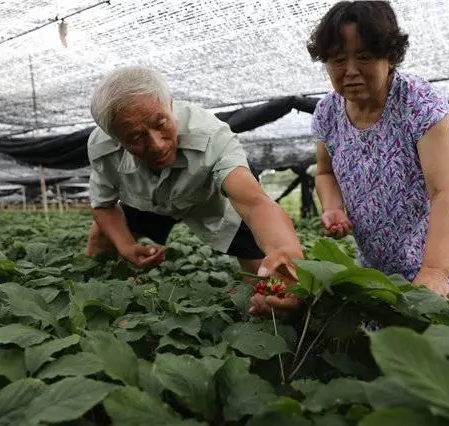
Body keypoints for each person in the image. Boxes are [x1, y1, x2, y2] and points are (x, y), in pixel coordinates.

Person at [85, 66, 303, 306]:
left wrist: (285, 251)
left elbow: (254, 203)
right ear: (114, 137)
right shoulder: (101, 147)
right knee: (101, 242)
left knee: (265, 278)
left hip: (210, 198)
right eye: (136, 138)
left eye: (161, 124)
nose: (157, 145)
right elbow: (103, 206)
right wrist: (127, 247)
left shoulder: (211, 136)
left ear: (170, 104)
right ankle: (96, 303)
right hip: (151, 199)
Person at [307, 1, 449, 296]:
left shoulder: (419, 102)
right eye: (337, 59)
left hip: (436, 248)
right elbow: (325, 172)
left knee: (436, 331)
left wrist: (435, 271)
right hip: (376, 253)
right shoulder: (327, 113)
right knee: (386, 336)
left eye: (363, 56)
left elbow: (444, 192)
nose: (350, 71)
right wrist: (333, 207)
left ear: (390, 56)